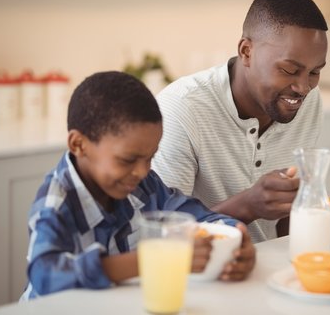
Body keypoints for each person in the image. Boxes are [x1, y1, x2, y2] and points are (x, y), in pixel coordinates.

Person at [20, 71, 256, 301]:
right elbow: (45, 275)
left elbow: (195, 217)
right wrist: (150, 259)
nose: (142, 171)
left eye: (150, 158)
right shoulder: (56, 201)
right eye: (127, 160)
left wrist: (235, 238)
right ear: (78, 144)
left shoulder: (143, 183)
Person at [152, 0, 328, 242]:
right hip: (198, 273)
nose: (303, 87)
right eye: (290, 70)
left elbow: (289, 219)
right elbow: (162, 233)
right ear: (246, 51)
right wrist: (247, 206)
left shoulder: (309, 102)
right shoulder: (181, 108)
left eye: (315, 72)